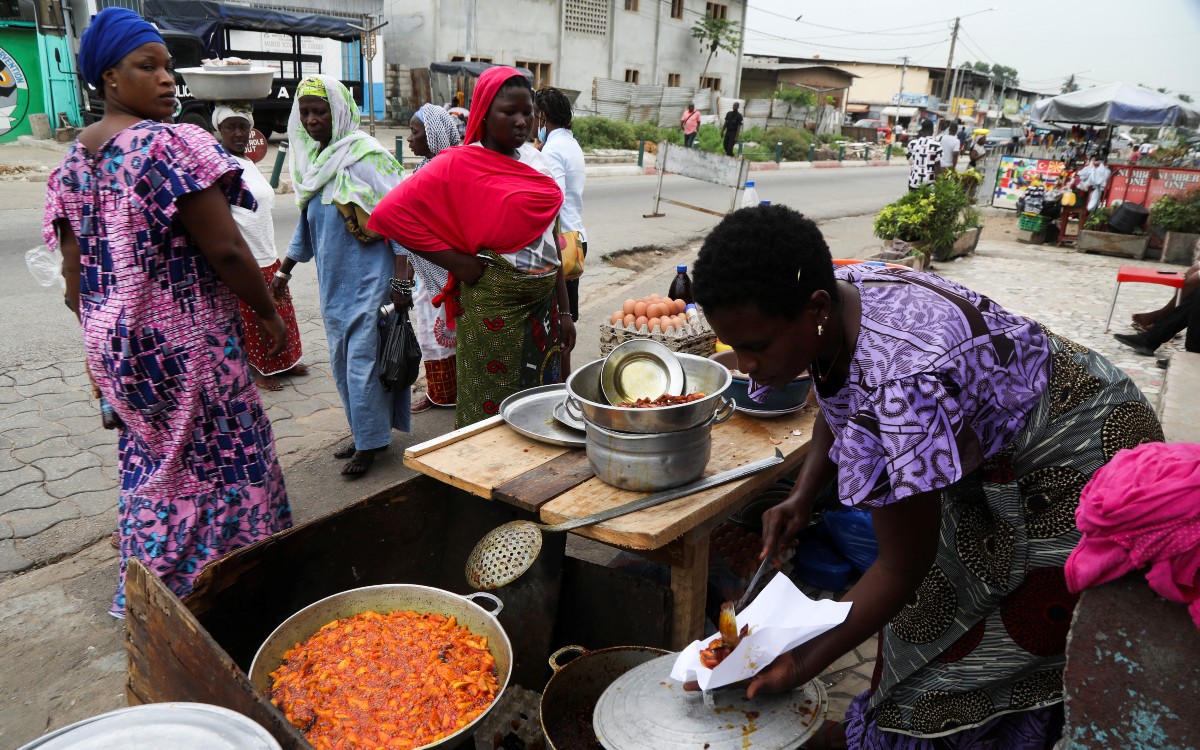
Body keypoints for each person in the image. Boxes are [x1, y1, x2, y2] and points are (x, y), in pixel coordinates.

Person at [689, 204, 1163, 749]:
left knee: (978, 652)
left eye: (756, 347)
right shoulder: (835, 294)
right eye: (733, 347)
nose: (744, 367)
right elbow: (837, 388)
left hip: (1079, 457)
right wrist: (803, 492)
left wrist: (801, 664)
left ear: (815, 309)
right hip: (997, 439)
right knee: (922, 622)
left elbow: (900, 566)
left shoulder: (899, 389)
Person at [43, 8, 293, 618]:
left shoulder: (75, 162)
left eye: (168, 67)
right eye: (146, 66)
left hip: (116, 347)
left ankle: (152, 588)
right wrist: (267, 314)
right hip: (186, 345)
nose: (166, 79)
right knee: (231, 455)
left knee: (154, 463)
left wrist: (99, 354)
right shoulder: (165, 146)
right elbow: (228, 248)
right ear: (108, 78)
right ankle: (237, 581)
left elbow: (75, 281)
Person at [367, 66, 574, 428]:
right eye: (509, 112)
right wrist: (458, 263)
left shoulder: (537, 159)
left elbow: (551, 239)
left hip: (543, 307)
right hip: (493, 304)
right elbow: (391, 215)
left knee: (539, 400)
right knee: (491, 407)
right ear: (483, 112)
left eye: (528, 112)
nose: (522, 121)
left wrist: (565, 311)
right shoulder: (459, 163)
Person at [270, 75, 411, 478]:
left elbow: (401, 220)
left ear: (340, 111)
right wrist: (285, 271)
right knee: (341, 363)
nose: (312, 120)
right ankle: (366, 432)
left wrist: (402, 281)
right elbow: (306, 225)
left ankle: (368, 447)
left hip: (371, 283)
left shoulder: (367, 157)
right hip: (334, 289)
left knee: (362, 365)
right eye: (306, 113)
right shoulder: (316, 164)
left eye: (320, 111)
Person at [211, 103, 307, 391]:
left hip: (267, 251)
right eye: (231, 127)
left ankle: (285, 361)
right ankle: (256, 368)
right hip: (245, 254)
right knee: (252, 315)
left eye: (243, 127)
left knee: (279, 307)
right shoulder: (220, 166)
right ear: (220, 131)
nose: (239, 133)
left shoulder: (248, 162)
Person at [403, 103, 463, 413]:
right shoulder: (423, 167)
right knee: (429, 329)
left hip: (446, 270)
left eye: (415, 132)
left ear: (435, 135)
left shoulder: (448, 170)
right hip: (428, 269)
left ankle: (453, 392)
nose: (410, 138)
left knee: (446, 331)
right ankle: (440, 392)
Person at [535, 87, 588, 376]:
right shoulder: (570, 143)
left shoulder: (553, 148)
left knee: (558, 320)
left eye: (533, 115)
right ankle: (563, 381)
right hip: (576, 238)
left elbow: (552, 197)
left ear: (542, 117)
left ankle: (562, 383)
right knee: (563, 318)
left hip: (561, 242)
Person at [904, 119, 942, 191]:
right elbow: (937, 167)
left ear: (922, 129)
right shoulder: (937, 145)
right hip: (928, 184)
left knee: (913, 202)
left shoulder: (912, 143)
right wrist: (939, 185)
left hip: (913, 182)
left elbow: (908, 157)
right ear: (932, 130)